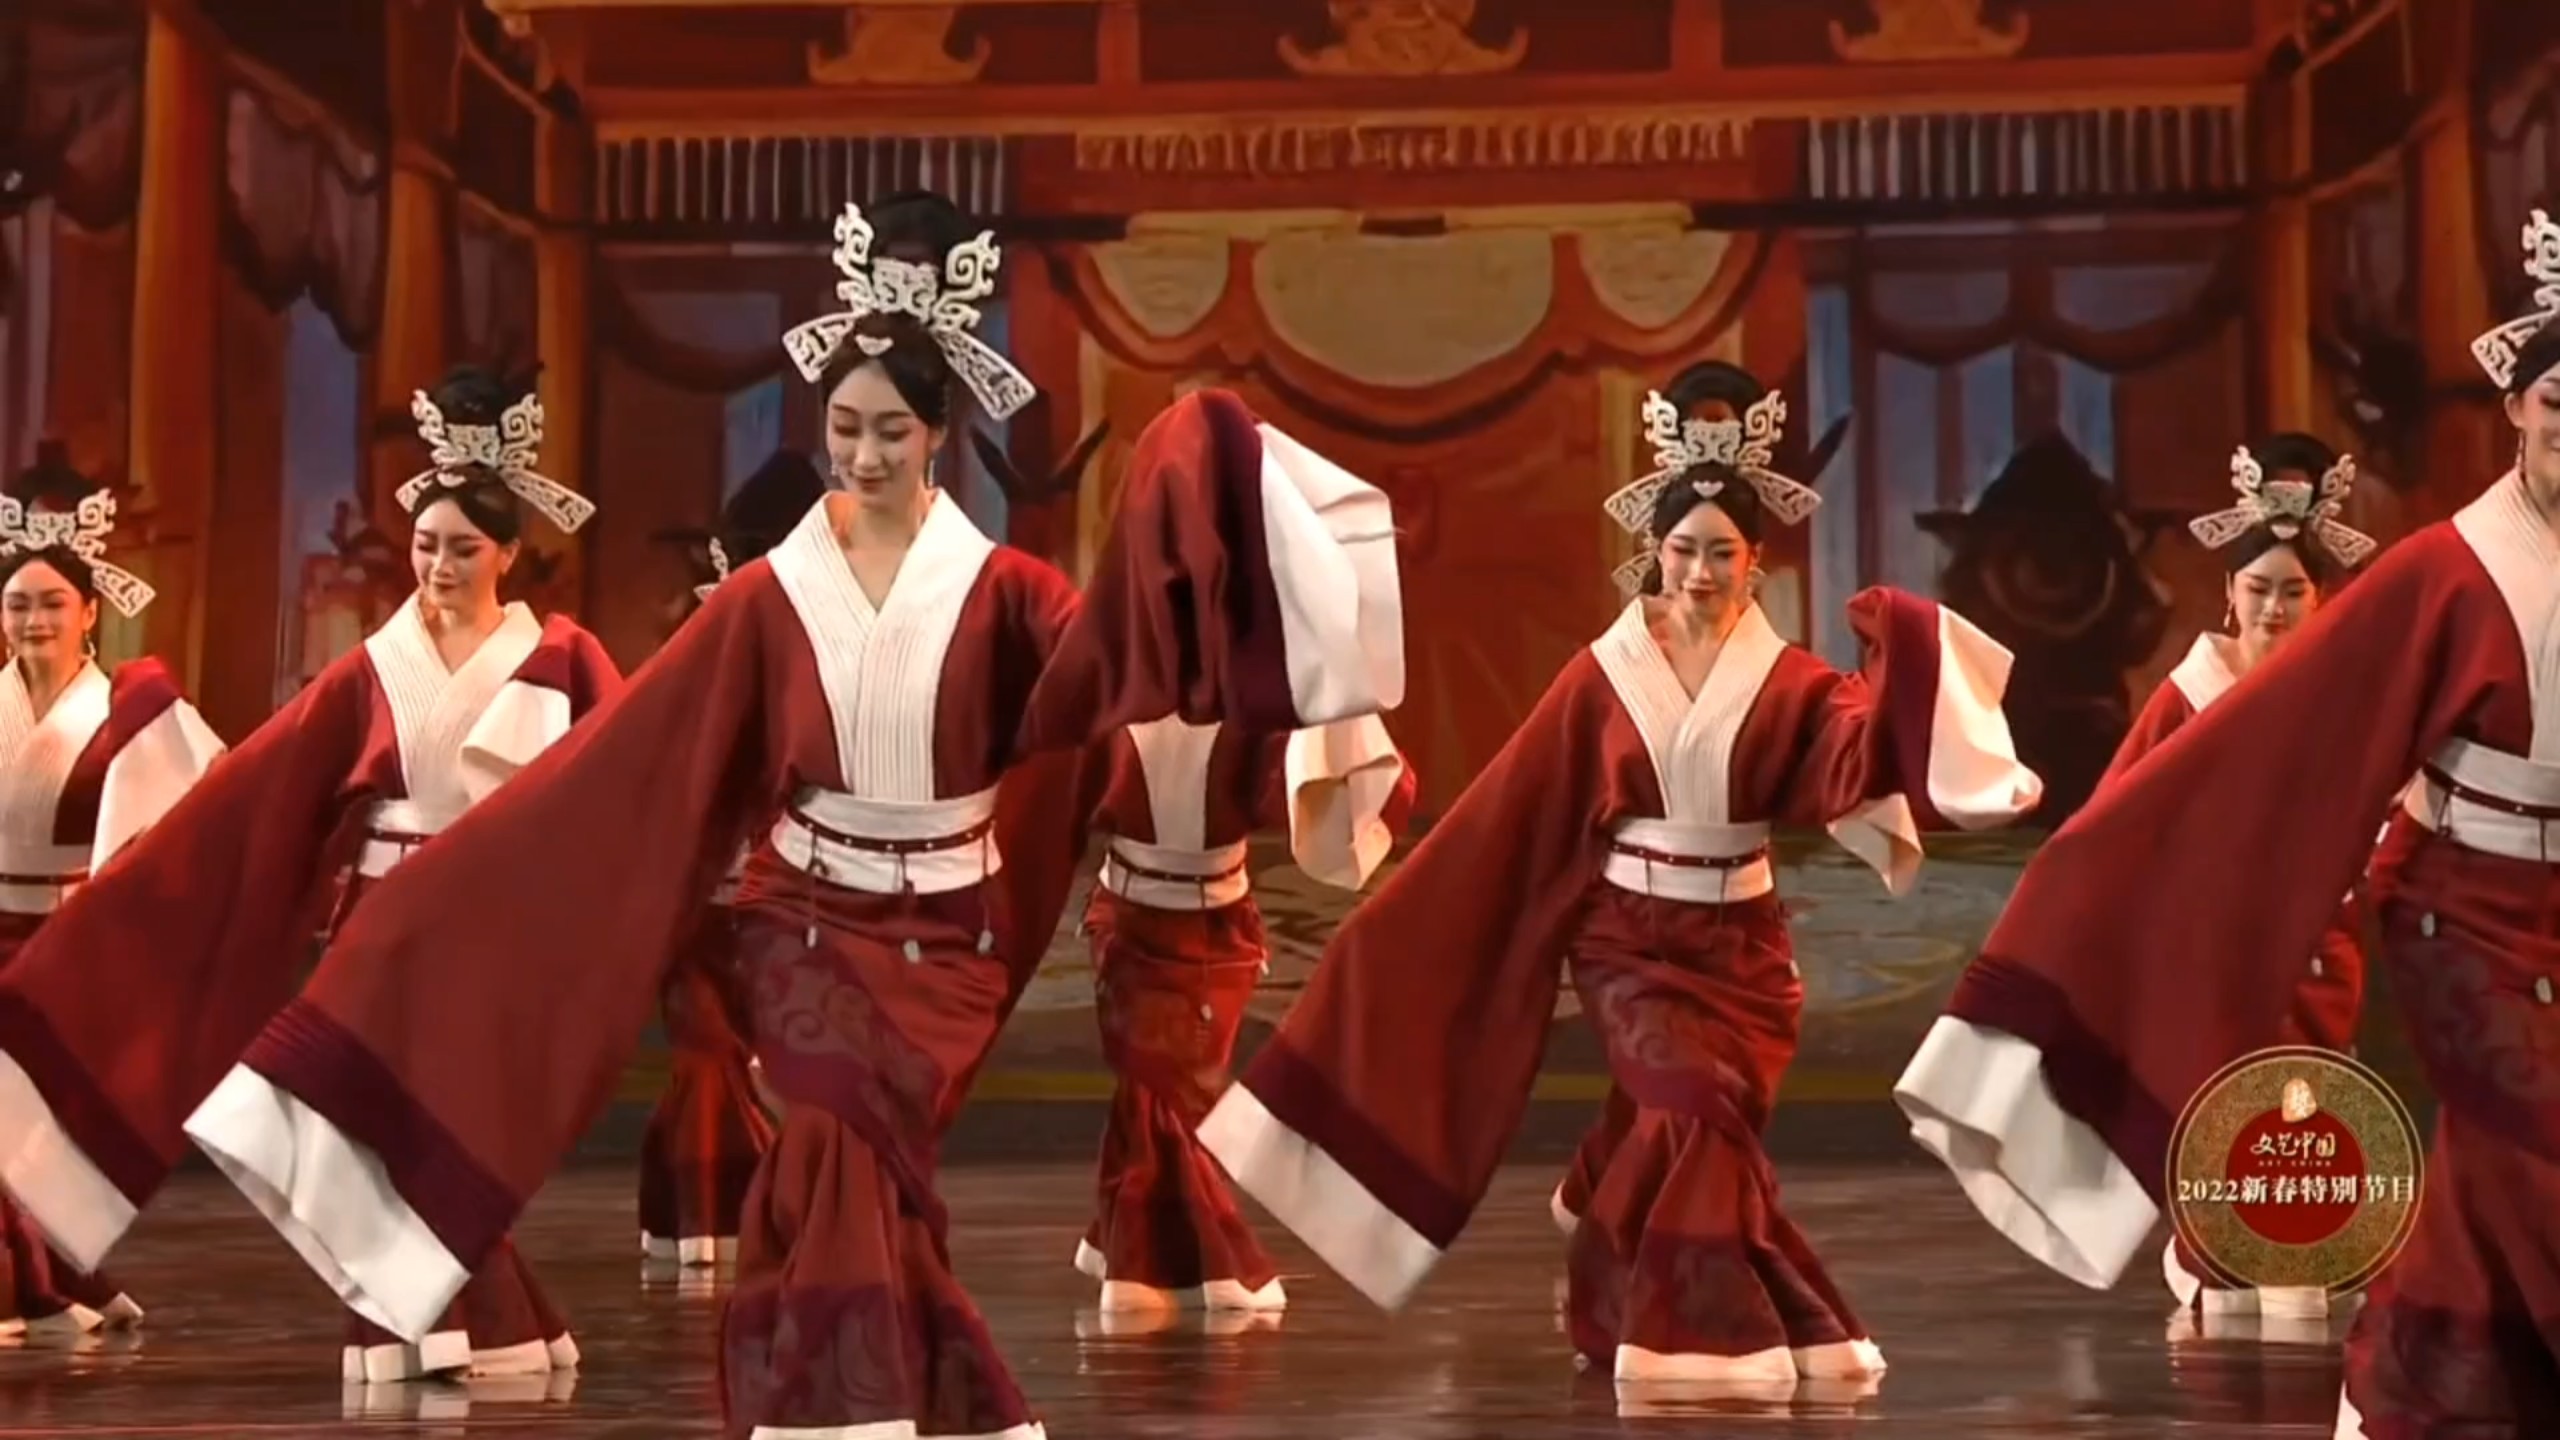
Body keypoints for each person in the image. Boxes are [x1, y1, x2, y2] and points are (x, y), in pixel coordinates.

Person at [145, 200, 1401, 1440]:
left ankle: (914, 1399)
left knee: (875, 1172)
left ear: (939, 434)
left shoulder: (1007, 590)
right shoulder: (766, 595)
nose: (864, 454)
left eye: (891, 430)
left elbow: (1102, 679)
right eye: (845, 428)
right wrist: (463, 886)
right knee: (835, 1147)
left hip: (947, 945)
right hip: (800, 927)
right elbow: (637, 754)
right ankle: (840, 1410)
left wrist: (1197, 481)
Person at [1198, 370, 2042, 1388]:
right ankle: (1695, 1334)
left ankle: (1610, 1219)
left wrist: (1907, 642)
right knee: (1692, 1115)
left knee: (1708, 1124)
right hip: (1631, 947)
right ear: (1653, 550)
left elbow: (1847, 761)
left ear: (1755, 562)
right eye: (1682, 549)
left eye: (1721, 553)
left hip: (1743, 955)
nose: (1699, 571)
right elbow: (1512, 810)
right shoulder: (1602, 678)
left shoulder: (1791, 682)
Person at [1890, 208, 2560, 1438]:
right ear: (2517, 405)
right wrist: (2097, 877)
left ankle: (2408, 1398)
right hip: (2465, 911)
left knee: (2494, 1166)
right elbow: (2277, 752)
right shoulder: (2445, 568)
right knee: (2530, 1140)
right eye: (2556, 398)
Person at [0, 365, 618, 1383]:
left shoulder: (558, 655)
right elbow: (273, 776)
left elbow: (619, 784)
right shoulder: (374, 664)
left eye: (464, 548)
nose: (440, 566)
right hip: (377, 914)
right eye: (426, 545)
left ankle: (485, 1324)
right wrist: (171, 857)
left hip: (484, 922)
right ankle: (474, 1326)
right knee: (359, 1118)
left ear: (510, 554)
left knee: (439, 1123)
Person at [2107, 433, 2379, 1323]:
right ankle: (2212, 1253)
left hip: (2317, 938)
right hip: (2213, 944)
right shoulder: (2188, 696)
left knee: (2306, 1101)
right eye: (2257, 589)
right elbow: (2119, 817)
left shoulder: (2353, 698)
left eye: (2292, 592)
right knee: (2221, 1098)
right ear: (2228, 592)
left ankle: (2299, 1244)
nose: (2272, 608)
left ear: (2321, 596)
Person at [1075, 709, 1416, 1313]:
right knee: (1165, 1094)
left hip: (1203, 922)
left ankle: (1124, 1252)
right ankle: (1215, 1267)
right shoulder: (1128, 684)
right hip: (1137, 918)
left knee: (1155, 1090)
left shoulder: (1230, 695)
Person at [0, 465, 222, 1336]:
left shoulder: (129, 708)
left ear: (90, 611)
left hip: (69, 940)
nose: (35, 620)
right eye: (18, 604)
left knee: (38, 1127)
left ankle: (40, 1278)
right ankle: (27, 1281)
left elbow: (201, 806)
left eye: (53, 603)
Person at [635, 457, 822, 1269]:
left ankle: (736, 1215)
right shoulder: (698, 644)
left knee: (767, 1063)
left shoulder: (828, 644)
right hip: (704, 892)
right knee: (706, 1049)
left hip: (793, 891)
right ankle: (713, 1216)